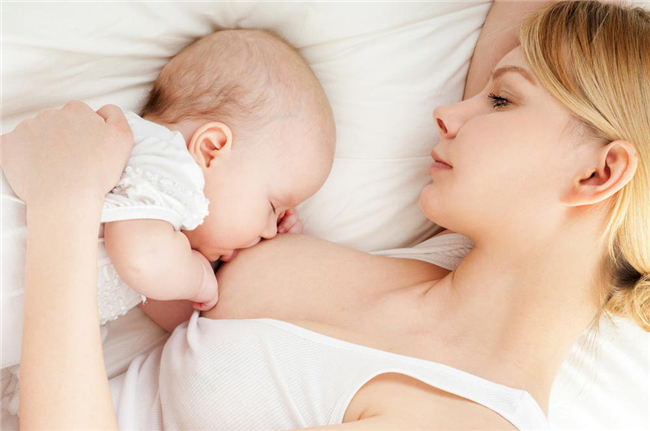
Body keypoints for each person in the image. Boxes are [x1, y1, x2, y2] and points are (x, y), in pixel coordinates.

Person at [2, 1, 648, 429]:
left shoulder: (454, 417)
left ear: (598, 174)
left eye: (501, 100)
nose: (448, 113)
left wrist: (66, 200)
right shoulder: (447, 260)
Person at [0, 28, 335, 415]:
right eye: (274, 205)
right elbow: (142, 260)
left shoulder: (159, 224)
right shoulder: (164, 159)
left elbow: (167, 304)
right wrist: (199, 277)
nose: (269, 230)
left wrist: (205, 287)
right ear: (211, 148)